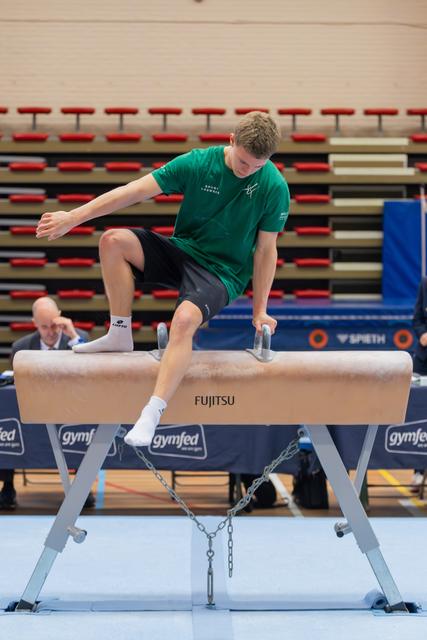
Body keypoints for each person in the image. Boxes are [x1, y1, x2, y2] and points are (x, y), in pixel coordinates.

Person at [36, 111, 290, 449]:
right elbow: (133, 191)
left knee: (183, 320)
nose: (248, 171)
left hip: (221, 273)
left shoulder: (273, 186)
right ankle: (119, 333)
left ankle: (152, 412)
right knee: (112, 241)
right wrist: (74, 216)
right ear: (231, 140)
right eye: (244, 162)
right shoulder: (199, 164)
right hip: (183, 251)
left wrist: (259, 311)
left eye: (257, 166)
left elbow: (265, 252)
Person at [0, 297, 92, 510]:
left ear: (60, 316)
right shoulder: (21, 347)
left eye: (54, 325)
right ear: (34, 323)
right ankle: (7, 486)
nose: (51, 332)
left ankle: (82, 489)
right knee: (7, 424)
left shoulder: (80, 339)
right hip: (34, 414)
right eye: (44, 327)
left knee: (87, 427)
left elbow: (91, 368)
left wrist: (74, 336)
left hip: (71, 412)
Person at [411, 276, 427, 491]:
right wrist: (423, 334)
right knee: (418, 416)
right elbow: (417, 320)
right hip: (423, 363)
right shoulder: (425, 282)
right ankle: (417, 470)